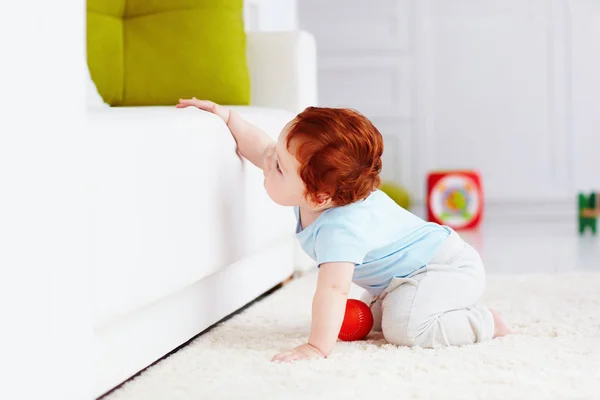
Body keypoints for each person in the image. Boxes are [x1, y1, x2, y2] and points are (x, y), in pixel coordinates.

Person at [177, 98, 511, 363]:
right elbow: (261, 147)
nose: (268, 161)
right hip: (403, 279)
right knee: (377, 321)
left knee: (404, 328)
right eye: (276, 155)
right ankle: (410, 305)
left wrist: (316, 346)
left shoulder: (341, 228)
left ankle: (484, 322)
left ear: (319, 196)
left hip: (444, 269)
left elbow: (334, 291)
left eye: (278, 166)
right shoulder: (315, 188)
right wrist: (226, 117)